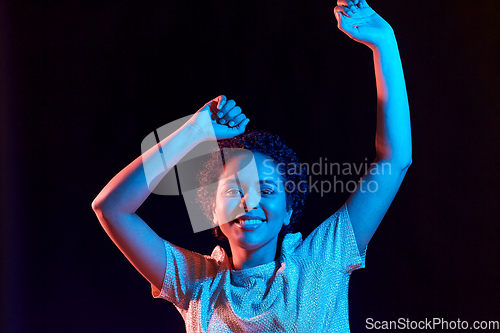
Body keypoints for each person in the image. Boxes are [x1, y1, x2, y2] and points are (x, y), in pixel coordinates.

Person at [91, 0, 412, 331]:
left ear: (289, 211)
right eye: (234, 189)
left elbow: (395, 160)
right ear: (211, 210)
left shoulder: (321, 263)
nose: (250, 201)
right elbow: (111, 208)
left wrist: (384, 41)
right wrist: (195, 131)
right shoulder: (194, 283)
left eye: (268, 189)